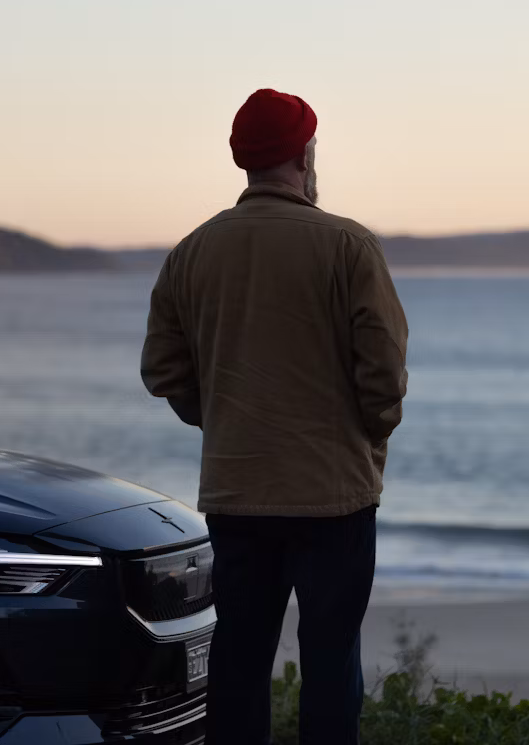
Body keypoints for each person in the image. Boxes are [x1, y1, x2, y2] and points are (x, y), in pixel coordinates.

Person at [140, 88, 409, 744]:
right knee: (329, 664)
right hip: (334, 499)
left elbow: (163, 370)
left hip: (238, 493)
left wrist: (227, 420)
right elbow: (384, 376)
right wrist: (365, 436)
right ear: (302, 153)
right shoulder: (348, 245)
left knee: (238, 664)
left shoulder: (193, 252)